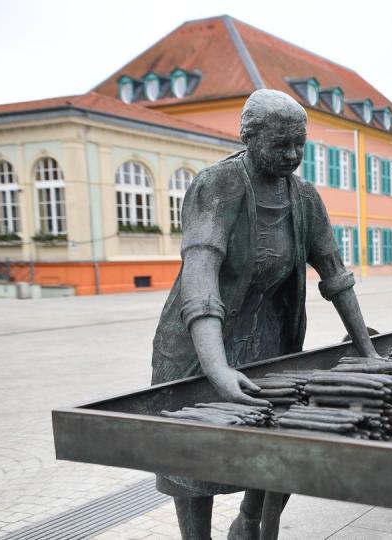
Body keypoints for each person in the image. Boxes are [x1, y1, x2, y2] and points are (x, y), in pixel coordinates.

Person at [150, 89, 380, 540]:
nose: (293, 155)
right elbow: (200, 274)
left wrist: (368, 351)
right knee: (194, 457)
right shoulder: (218, 185)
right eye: (281, 145)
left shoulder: (305, 197)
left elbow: (335, 276)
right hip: (199, 344)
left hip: (268, 340)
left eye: (300, 144)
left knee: (272, 445)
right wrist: (217, 367)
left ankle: (250, 522)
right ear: (248, 136)